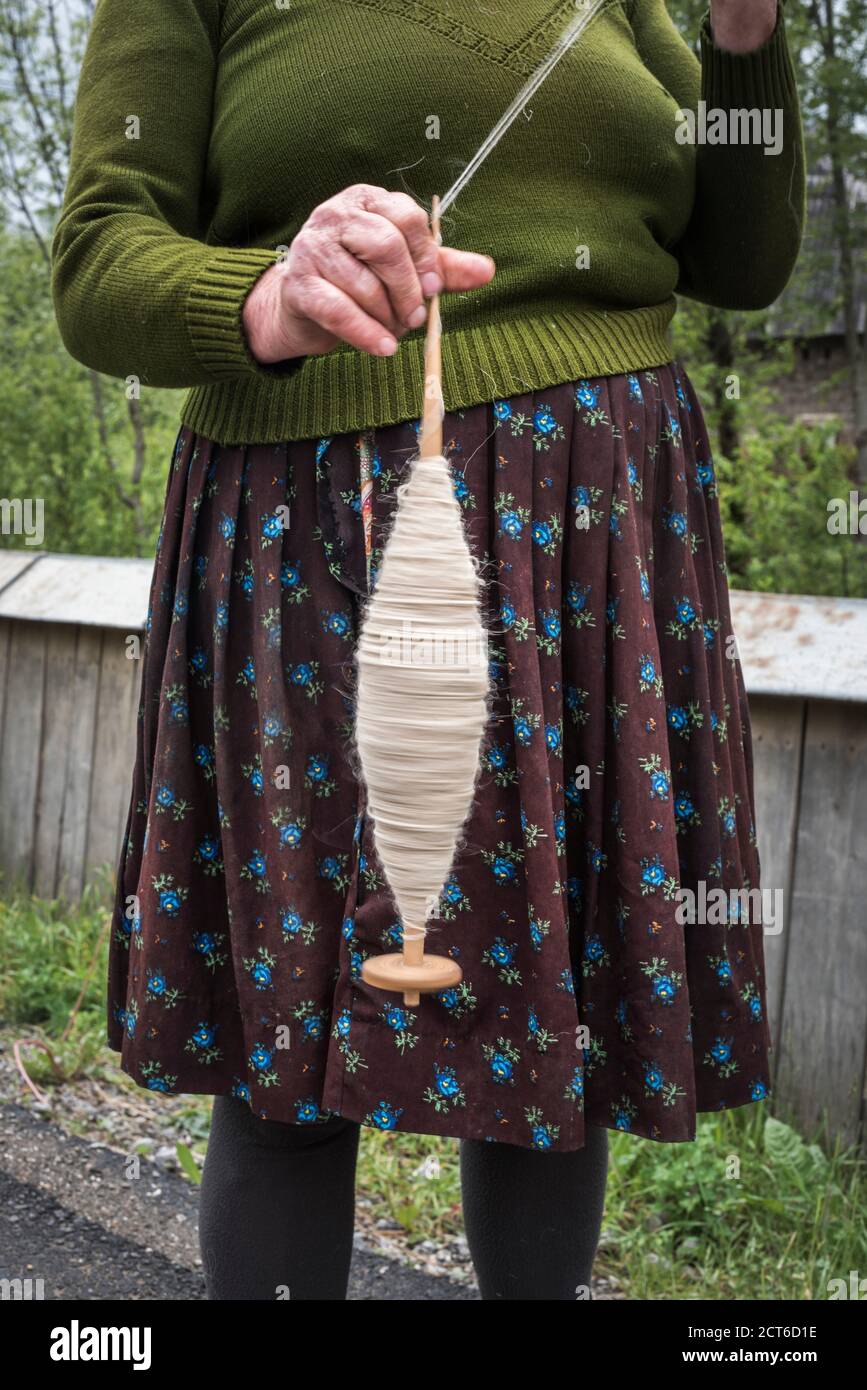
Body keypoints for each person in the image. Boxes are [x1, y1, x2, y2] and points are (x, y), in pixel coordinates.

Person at [51, 0, 804, 1300]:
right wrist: (269, 291)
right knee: (295, 1048)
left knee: (553, 1043)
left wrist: (746, 40)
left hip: (594, 541)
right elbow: (99, 260)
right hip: (311, 532)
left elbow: (742, 257)